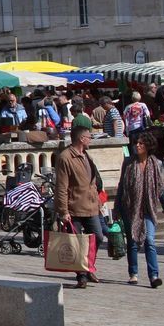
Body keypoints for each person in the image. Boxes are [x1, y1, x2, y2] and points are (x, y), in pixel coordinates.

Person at [54, 114, 104, 288]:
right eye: (90, 137)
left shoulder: (86, 155)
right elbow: (61, 186)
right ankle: (81, 275)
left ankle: (88, 267)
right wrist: (63, 210)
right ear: (82, 139)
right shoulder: (66, 157)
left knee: (98, 236)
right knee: (76, 243)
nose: (91, 139)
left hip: (91, 206)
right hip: (74, 207)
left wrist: (99, 202)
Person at [117, 133, 164, 287]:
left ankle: (154, 276)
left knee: (150, 240)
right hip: (130, 207)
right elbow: (121, 186)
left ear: (148, 146)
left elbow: (161, 188)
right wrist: (116, 209)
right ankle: (133, 273)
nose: (137, 146)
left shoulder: (156, 164)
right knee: (133, 241)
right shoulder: (128, 163)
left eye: (141, 143)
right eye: (136, 143)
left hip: (148, 208)